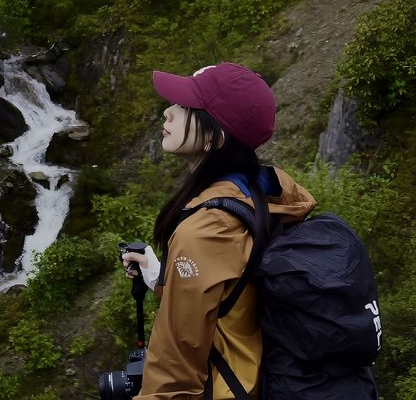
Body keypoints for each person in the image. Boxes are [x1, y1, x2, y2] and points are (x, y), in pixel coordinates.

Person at [122, 62, 316, 399]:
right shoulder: (264, 191)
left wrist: (187, 259)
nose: (168, 112)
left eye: (185, 107)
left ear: (215, 136)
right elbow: (235, 295)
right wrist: (162, 275)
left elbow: (173, 376)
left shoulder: (205, 232)